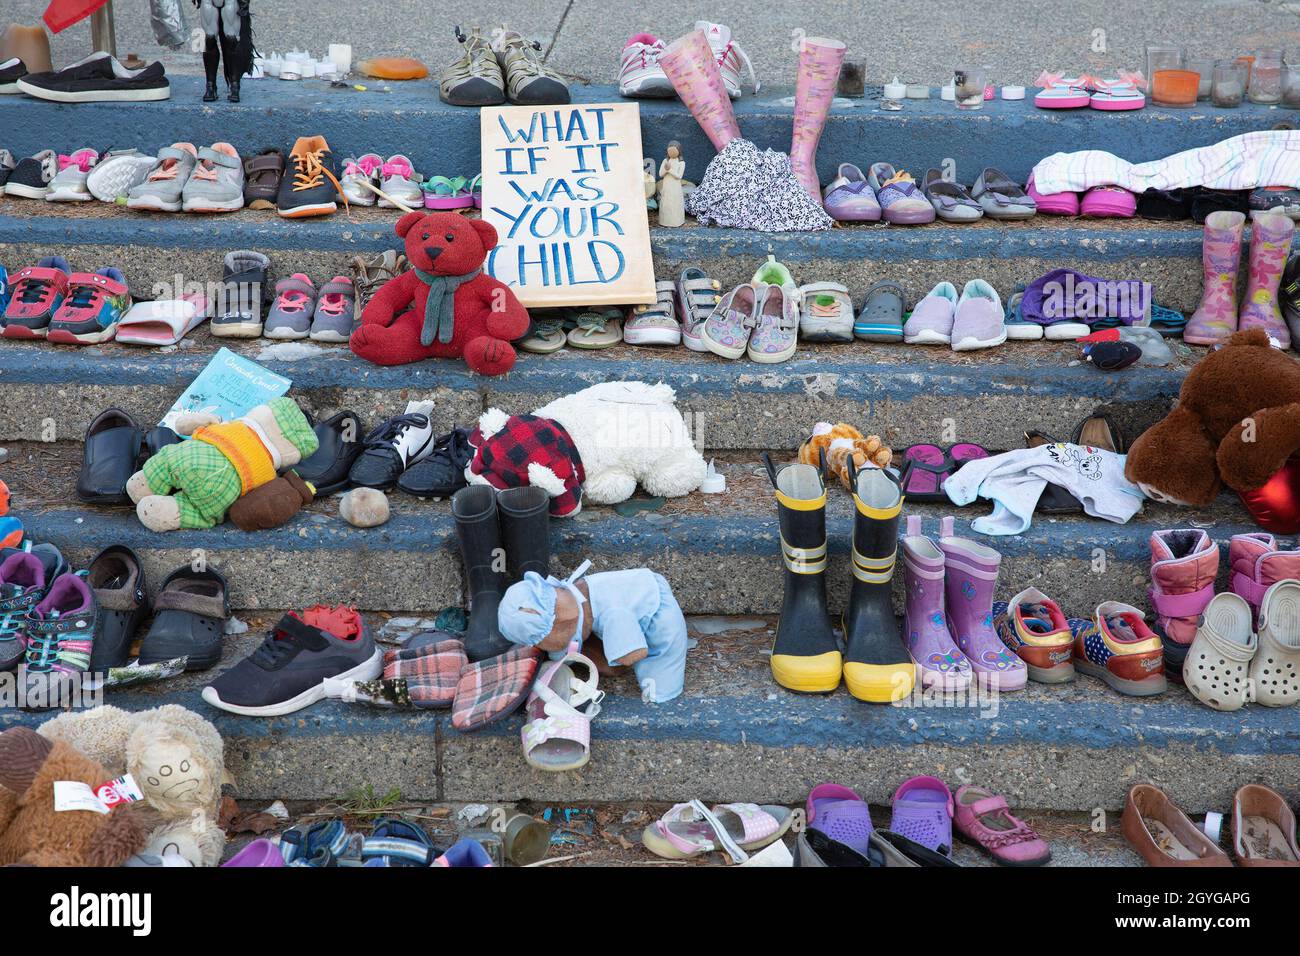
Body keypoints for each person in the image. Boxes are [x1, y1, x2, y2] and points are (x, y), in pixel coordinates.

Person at [497, 562, 688, 703]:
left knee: (661, 677)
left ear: (560, 621)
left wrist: (624, 651)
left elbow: (631, 656)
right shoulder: (574, 594)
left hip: (657, 609)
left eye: (541, 640)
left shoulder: (613, 613)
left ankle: (661, 689)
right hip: (627, 596)